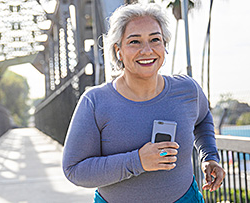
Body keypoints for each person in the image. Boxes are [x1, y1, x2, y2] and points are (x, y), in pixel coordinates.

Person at [62, 3, 225, 203]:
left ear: (164, 45)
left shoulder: (188, 90)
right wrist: (137, 161)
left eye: (155, 39)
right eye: (134, 42)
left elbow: (203, 118)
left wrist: (209, 156)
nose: (147, 50)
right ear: (118, 50)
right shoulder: (95, 102)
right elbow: (74, 170)